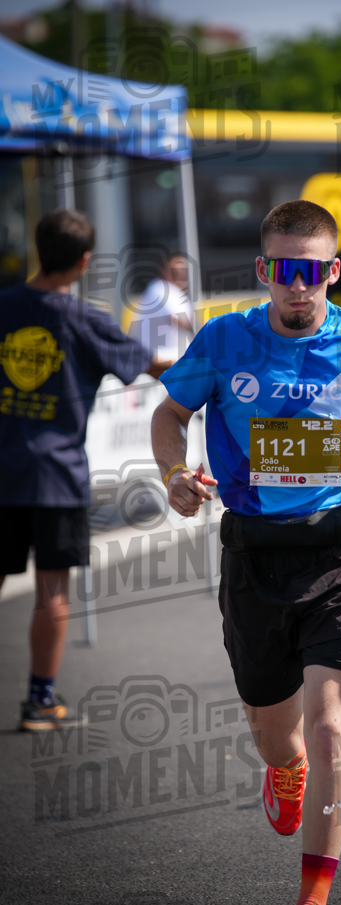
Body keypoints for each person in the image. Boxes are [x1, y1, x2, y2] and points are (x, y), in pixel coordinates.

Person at [151, 200, 341, 905]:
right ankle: (283, 769)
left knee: (332, 726)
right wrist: (175, 477)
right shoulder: (224, 341)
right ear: (263, 271)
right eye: (284, 270)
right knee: (277, 736)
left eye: (311, 270)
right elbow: (168, 414)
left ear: (332, 271)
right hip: (253, 557)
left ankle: (313, 895)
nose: (297, 284)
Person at [0, 209, 169, 732]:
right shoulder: (84, 319)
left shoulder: (4, 306)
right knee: (52, 589)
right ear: (84, 261)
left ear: (38, 247)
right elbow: (151, 367)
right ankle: (39, 701)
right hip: (56, 476)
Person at [129, 252, 195, 362]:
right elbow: (178, 318)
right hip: (160, 360)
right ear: (164, 271)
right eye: (175, 272)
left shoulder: (168, 291)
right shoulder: (160, 288)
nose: (181, 276)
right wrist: (204, 337)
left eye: (184, 272)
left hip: (165, 359)